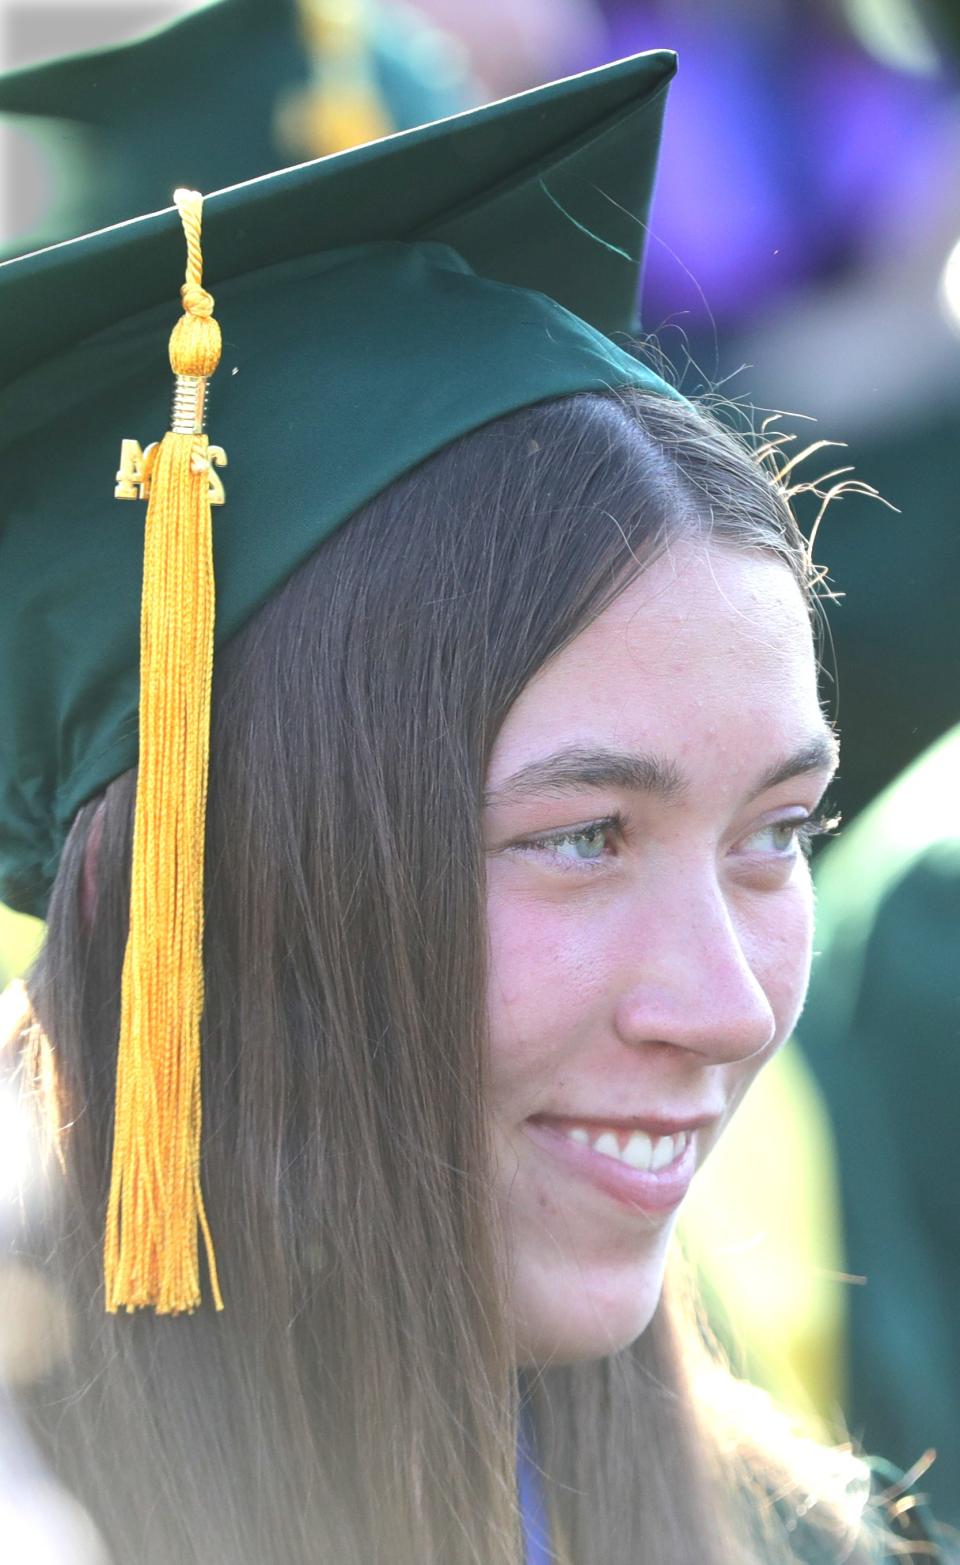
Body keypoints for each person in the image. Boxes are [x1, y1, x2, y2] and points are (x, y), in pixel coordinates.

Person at [0, 48, 941, 1565]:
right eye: (581, 837)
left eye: (779, 833)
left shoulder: (797, 1541)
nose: (726, 1007)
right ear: (213, 876)